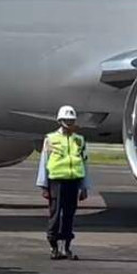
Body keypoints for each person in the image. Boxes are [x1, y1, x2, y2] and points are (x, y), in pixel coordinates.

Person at [36, 105, 90, 260]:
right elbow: (44, 162)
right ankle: (53, 247)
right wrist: (44, 185)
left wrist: (84, 187)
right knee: (55, 215)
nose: (69, 123)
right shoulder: (51, 139)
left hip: (73, 181)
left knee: (69, 215)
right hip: (56, 182)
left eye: (71, 120)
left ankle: (66, 248)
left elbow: (84, 163)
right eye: (66, 120)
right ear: (60, 121)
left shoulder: (79, 140)